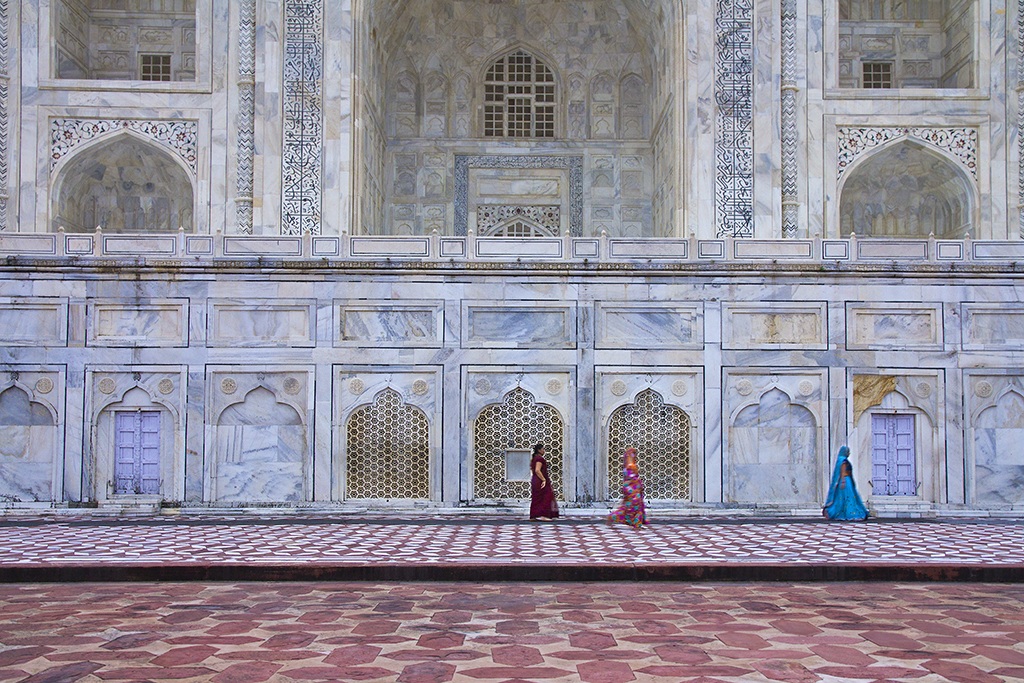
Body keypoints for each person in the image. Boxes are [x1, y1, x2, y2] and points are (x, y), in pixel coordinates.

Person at [822, 445, 869, 521]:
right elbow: (842, 472)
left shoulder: (840, 460)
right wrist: (843, 481)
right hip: (846, 481)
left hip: (845, 480)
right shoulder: (843, 461)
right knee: (848, 498)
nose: (849, 453)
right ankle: (846, 513)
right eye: (848, 452)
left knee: (842, 498)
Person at [609, 447, 647, 528]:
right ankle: (618, 517)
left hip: (634, 490)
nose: (633, 456)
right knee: (632, 506)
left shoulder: (631, 465)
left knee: (636, 506)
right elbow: (630, 479)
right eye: (631, 454)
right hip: (631, 490)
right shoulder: (629, 467)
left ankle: (636, 522)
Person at [529, 443, 559, 521]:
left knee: (537, 498)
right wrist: (544, 479)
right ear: (539, 450)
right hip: (540, 480)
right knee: (546, 497)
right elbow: (537, 470)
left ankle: (534, 515)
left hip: (536, 480)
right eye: (543, 449)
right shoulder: (539, 459)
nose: (544, 451)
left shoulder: (534, 458)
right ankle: (544, 515)